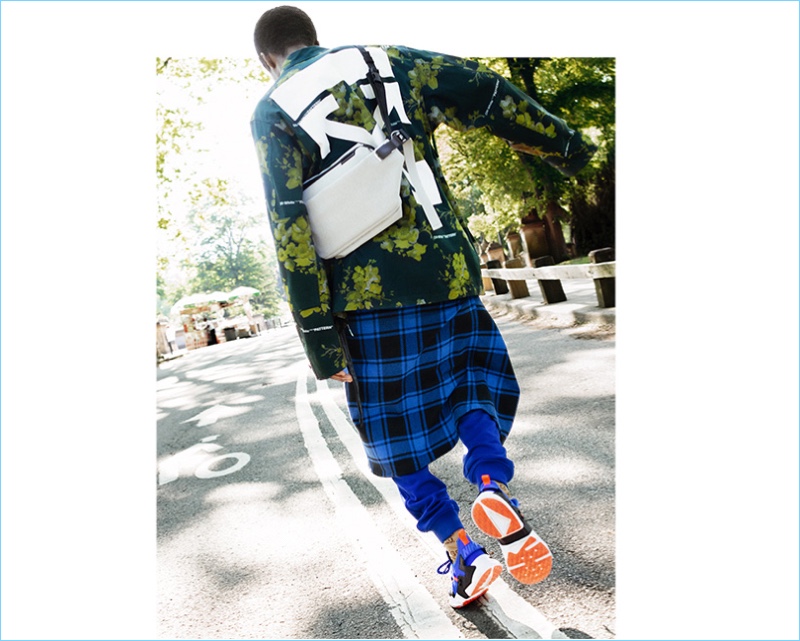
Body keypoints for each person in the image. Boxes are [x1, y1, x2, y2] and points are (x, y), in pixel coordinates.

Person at [250, 5, 596, 608]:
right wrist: (565, 145)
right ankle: (492, 482)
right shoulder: (387, 63)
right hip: (445, 268)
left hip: (364, 301)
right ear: (314, 39)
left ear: (265, 59)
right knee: (471, 389)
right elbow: (487, 93)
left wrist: (320, 339)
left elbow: (290, 228)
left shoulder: (272, 111)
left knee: (392, 439)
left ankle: (460, 550)